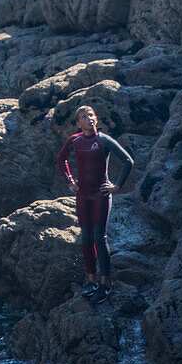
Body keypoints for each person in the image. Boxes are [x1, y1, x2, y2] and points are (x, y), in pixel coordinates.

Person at [57, 104, 134, 303]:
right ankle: (91, 281)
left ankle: (106, 283)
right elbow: (61, 159)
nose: (88, 118)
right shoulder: (74, 140)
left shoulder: (103, 140)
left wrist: (116, 186)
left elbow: (128, 161)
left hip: (100, 195)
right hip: (82, 196)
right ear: (78, 123)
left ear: (96, 119)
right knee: (85, 237)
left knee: (100, 237)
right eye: (83, 116)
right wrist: (70, 181)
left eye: (91, 115)